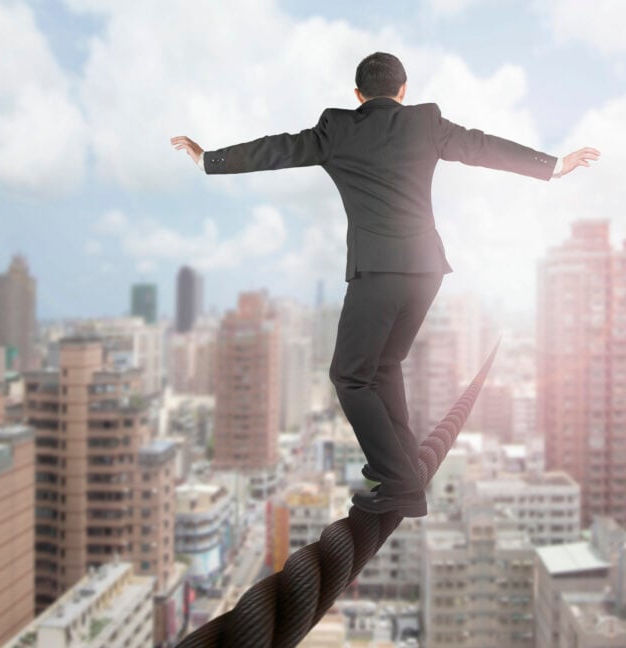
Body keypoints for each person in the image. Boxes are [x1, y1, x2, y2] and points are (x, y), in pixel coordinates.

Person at [172, 52, 599, 518]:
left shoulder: (338, 128)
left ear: (357, 96)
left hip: (379, 271)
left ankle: (400, 485)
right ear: (404, 90)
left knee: (348, 376)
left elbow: (276, 149)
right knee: (384, 364)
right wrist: (553, 164)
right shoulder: (426, 122)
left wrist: (207, 160)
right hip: (428, 271)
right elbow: (482, 146)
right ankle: (402, 467)